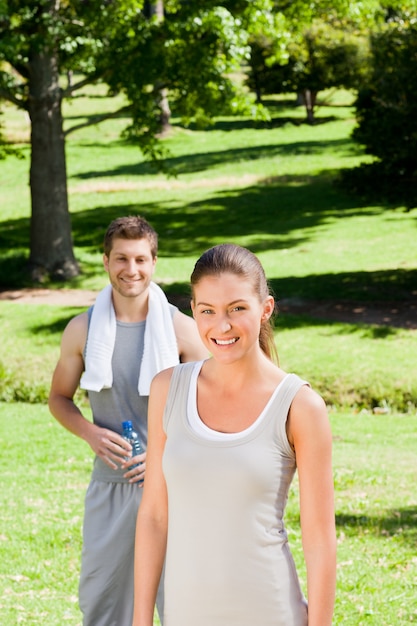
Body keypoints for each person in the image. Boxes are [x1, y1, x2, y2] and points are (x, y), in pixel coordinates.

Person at [132, 243, 336, 626]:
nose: (221, 326)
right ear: (193, 311)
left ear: (265, 309)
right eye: (207, 310)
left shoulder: (299, 406)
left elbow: (320, 539)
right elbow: (154, 516)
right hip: (185, 615)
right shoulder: (167, 390)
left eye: (237, 308)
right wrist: (140, 619)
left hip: (270, 612)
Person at [48, 215, 208, 626]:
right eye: (121, 258)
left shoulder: (183, 331)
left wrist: (163, 449)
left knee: (183, 607)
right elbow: (59, 398)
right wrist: (89, 433)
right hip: (111, 485)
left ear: (154, 262)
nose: (131, 270)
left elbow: (211, 407)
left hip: (174, 486)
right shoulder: (80, 330)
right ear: (105, 261)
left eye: (140, 259)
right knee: (102, 604)